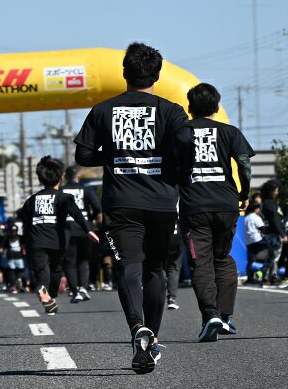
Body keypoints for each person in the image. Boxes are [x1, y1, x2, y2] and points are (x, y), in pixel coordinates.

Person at [73, 42, 195, 374]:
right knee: (155, 268)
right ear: (157, 74)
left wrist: (111, 155)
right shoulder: (171, 111)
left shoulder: (103, 110)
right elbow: (186, 145)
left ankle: (136, 327)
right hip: (161, 203)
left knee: (129, 267)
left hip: (121, 203)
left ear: (124, 73)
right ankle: (151, 338)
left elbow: (83, 156)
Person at [178, 83, 254, 341]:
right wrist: (244, 193)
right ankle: (224, 317)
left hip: (194, 205)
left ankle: (210, 314)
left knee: (201, 262)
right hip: (226, 204)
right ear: (217, 107)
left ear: (189, 107)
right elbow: (244, 164)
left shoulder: (181, 132)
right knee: (223, 258)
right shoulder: (230, 132)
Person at [21, 156, 100, 316]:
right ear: (60, 177)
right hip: (57, 241)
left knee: (42, 270)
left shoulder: (31, 200)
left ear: (40, 178)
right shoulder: (63, 197)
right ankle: (52, 296)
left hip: (36, 240)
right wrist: (88, 230)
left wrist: (24, 243)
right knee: (56, 269)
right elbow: (77, 213)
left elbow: (26, 223)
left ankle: (44, 292)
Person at [61, 165, 102, 303]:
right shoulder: (86, 190)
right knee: (83, 260)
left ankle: (75, 290)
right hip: (85, 229)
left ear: (65, 178)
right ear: (78, 177)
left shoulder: (61, 191)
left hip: (67, 229)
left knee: (69, 262)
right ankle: (84, 287)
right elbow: (97, 207)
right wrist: (90, 218)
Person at [259, 180, 286, 286]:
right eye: (275, 190)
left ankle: (267, 277)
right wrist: (282, 233)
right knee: (274, 256)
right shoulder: (270, 204)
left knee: (271, 255)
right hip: (274, 233)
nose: (277, 192)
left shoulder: (265, 203)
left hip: (269, 233)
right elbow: (274, 219)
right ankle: (267, 273)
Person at [244, 203, 269, 284]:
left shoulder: (246, 217)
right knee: (268, 257)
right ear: (256, 209)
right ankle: (264, 275)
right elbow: (262, 228)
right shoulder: (255, 217)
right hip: (258, 240)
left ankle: (250, 277)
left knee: (251, 260)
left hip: (249, 241)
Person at [0, 224, 26, 293]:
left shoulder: (7, 237)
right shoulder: (21, 237)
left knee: (11, 271)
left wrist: (2, 251)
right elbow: (24, 247)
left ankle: (13, 286)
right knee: (19, 271)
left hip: (11, 256)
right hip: (19, 256)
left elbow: (2, 248)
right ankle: (19, 283)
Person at [165, 222, 184, 310]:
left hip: (161, 236)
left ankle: (155, 299)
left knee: (156, 268)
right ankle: (171, 298)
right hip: (177, 237)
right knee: (174, 268)